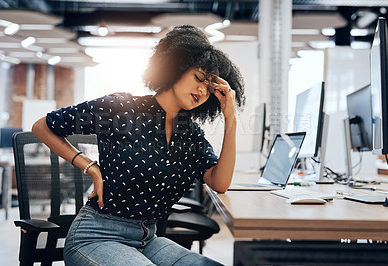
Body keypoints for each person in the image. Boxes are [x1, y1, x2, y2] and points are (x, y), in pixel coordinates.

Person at [32, 25, 245, 266]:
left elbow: (220, 182)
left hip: (148, 239)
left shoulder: (190, 134)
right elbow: (43, 127)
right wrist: (90, 166)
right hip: (96, 236)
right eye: (198, 78)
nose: (202, 90)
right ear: (177, 67)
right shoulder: (120, 108)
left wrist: (231, 118)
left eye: (210, 88)